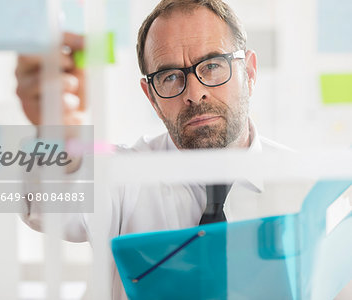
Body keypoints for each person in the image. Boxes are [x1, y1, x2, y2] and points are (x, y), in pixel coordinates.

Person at [16, 1, 309, 299]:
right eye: (170, 77)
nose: (195, 93)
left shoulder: (304, 186)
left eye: (212, 66)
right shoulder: (125, 174)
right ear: (151, 97)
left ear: (249, 72)